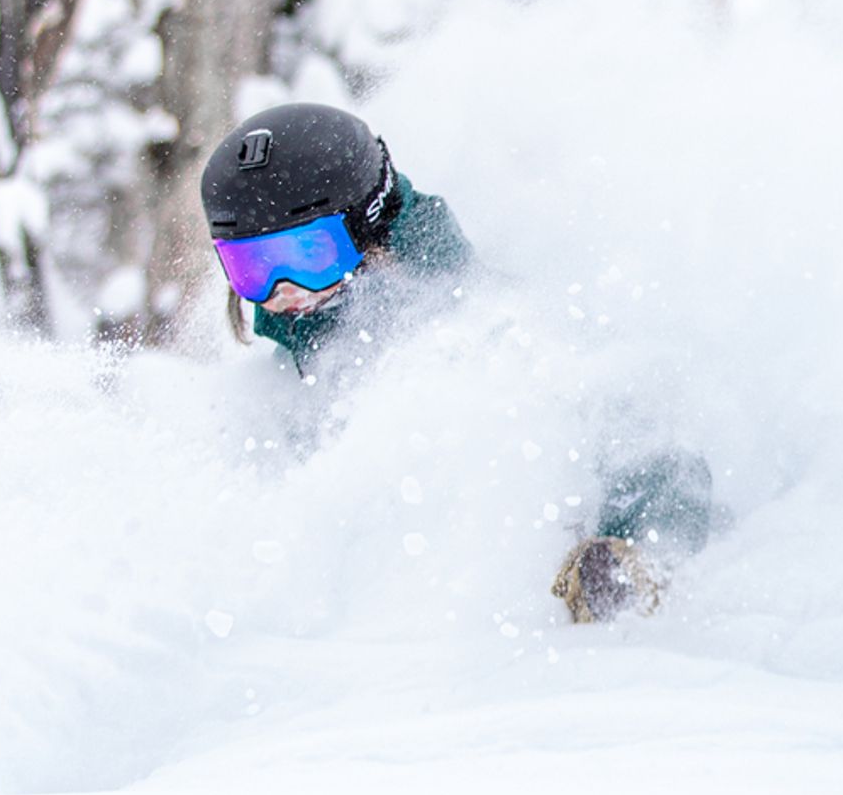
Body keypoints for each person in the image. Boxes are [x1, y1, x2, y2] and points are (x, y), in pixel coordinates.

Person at [199, 101, 714, 623]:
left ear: (368, 225)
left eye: (308, 255)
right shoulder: (297, 355)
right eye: (251, 267)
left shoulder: (488, 331)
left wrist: (631, 549)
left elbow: (653, 448)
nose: (282, 290)